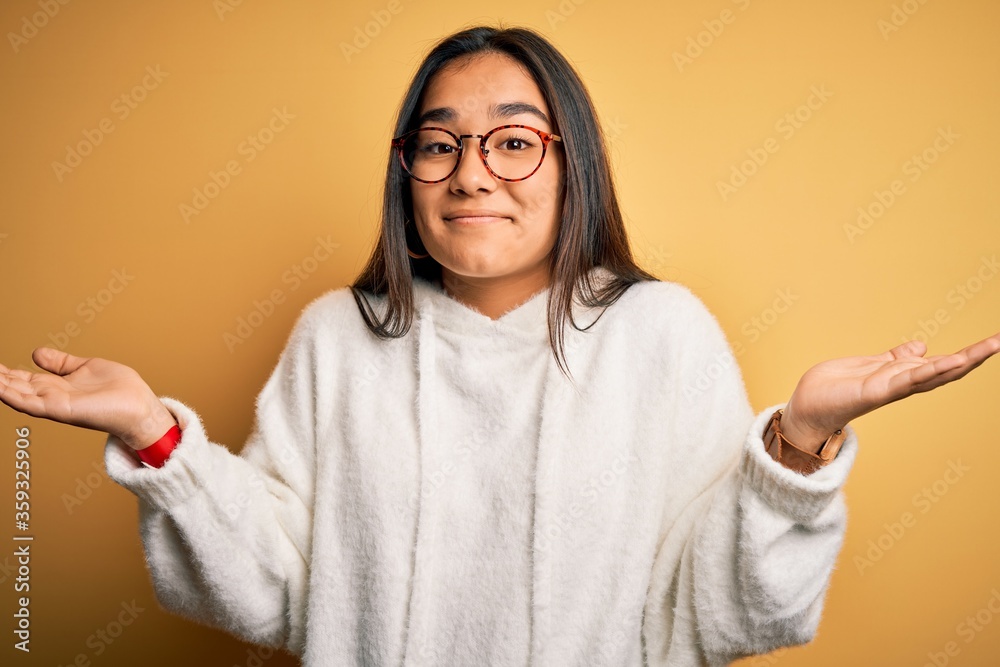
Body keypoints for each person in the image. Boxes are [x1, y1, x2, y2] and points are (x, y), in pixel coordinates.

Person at [0, 24, 997, 667]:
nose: (470, 174)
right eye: (438, 143)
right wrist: (155, 440)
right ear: (407, 172)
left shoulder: (661, 333)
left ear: (574, 168)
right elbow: (269, 594)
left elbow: (728, 611)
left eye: (513, 140)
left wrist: (798, 445)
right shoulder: (335, 340)